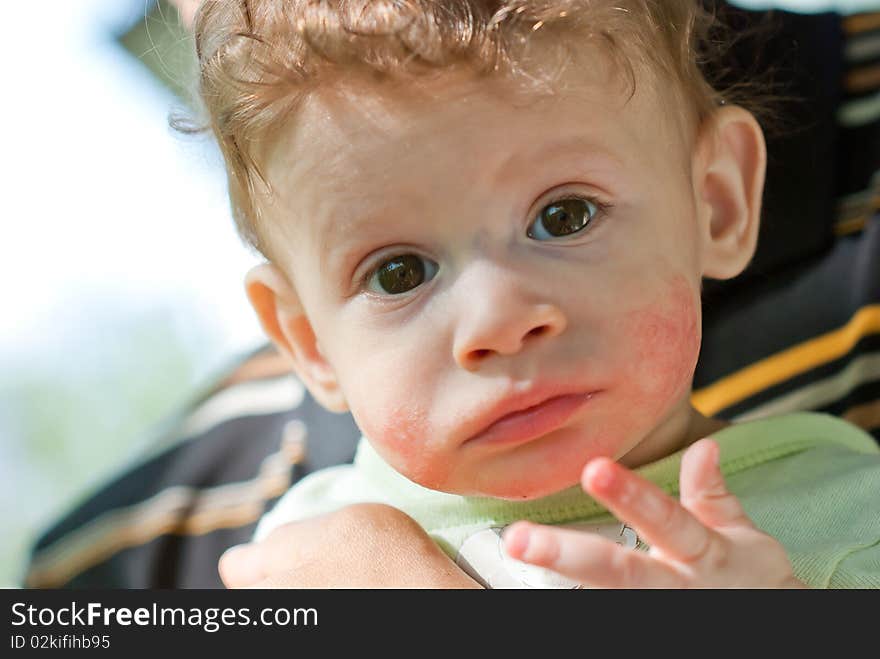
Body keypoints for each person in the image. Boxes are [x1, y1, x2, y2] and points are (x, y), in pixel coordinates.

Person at [185, 0, 880, 589]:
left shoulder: (846, 518)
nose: (499, 318)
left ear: (716, 204)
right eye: (399, 272)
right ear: (311, 343)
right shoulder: (299, 557)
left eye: (564, 216)